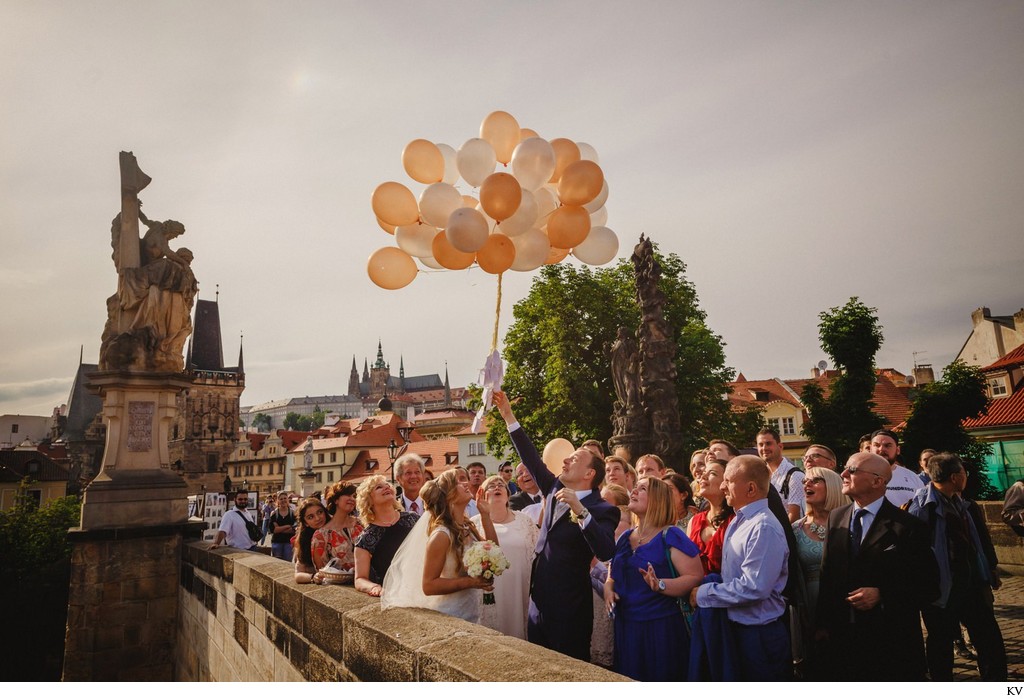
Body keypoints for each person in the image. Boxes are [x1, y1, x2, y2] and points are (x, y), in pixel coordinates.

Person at [493, 390, 619, 661]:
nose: (565, 460)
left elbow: (607, 550)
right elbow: (530, 457)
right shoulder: (553, 487)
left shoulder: (603, 510)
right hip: (538, 602)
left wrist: (580, 511)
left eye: (574, 459)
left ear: (589, 474)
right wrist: (507, 415)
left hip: (570, 609)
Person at [814, 452, 939, 681]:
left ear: (877, 481)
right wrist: (822, 625)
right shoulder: (837, 517)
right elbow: (827, 574)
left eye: (852, 470)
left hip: (890, 643)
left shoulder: (908, 526)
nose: (842, 474)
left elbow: (929, 585)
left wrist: (883, 594)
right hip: (843, 641)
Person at [689, 456, 791, 681]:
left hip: (759, 635)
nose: (723, 486)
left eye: (728, 480)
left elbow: (755, 587)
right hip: (738, 630)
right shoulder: (739, 521)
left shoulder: (762, 527)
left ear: (751, 488)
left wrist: (705, 593)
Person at [908, 452, 1007, 681]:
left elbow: (978, 540)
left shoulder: (961, 502)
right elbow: (916, 553)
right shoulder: (922, 508)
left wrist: (988, 569)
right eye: (963, 472)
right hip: (942, 588)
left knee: (989, 640)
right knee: (941, 644)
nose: (966, 476)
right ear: (954, 476)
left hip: (971, 583)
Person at [604, 477, 704, 681]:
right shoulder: (625, 537)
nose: (633, 491)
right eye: (635, 487)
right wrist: (608, 587)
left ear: (658, 500)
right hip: (626, 627)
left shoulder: (672, 536)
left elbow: (695, 576)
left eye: (642, 489)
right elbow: (612, 572)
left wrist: (661, 584)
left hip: (660, 629)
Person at [381, 468, 496, 623]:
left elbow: (493, 550)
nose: (466, 483)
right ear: (449, 495)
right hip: (451, 613)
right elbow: (429, 586)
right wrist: (472, 582)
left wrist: (486, 516)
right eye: (459, 481)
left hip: (471, 607)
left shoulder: (468, 526)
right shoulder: (441, 535)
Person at [791, 466, 848, 678]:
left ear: (833, 487)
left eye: (815, 481)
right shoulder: (796, 529)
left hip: (845, 606)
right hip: (808, 607)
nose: (807, 484)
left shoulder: (851, 524)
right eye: (805, 481)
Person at [471, 475, 538, 638]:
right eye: (491, 486)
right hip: (489, 590)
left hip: (519, 588)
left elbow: (538, 554)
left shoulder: (525, 521)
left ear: (508, 494)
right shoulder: (474, 524)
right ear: (482, 494)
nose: (496, 487)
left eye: (501, 484)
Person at [353, 475, 419, 597]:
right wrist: (373, 587)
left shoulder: (413, 519)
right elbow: (360, 579)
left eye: (387, 485)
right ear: (369, 500)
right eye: (379, 487)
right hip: (393, 594)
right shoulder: (366, 538)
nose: (386, 487)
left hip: (421, 587)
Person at [590, 483, 631, 668]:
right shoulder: (593, 528)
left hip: (611, 613)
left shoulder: (624, 532)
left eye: (605, 501)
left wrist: (593, 565)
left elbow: (616, 575)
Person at [687, 459, 734, 574]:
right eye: (704, 473)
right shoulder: (694, 521)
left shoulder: (736, 521)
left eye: (712, 473)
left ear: (726, 482)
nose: (703, 476)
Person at [311, 482, 363, 575]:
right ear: (336, 500)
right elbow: (322, 571)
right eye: (347, 495)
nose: (352, 499)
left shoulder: (362, 524)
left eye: (354, 496)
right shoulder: (321, 535)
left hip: (368, 582)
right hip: (340, 585)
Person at [757, 427, 804, 523]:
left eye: (768, 444)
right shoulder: (759, 475)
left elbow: (794, 516)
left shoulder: (795, 476)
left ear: (780, 446)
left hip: (783, 535)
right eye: (760, 445)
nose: (764, 448)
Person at [868, 429, 920, 507]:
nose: (881, 449)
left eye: (887, 445)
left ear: (898, 450)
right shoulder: (858, 476)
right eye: (877, 445)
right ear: (870, 449)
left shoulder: (912, 477)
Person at [293, 498, 327, 584]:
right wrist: (313, 577)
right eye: (310, 517)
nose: (317, 518)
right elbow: (298, 575)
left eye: (320, 512)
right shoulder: (305, 540)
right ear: (305, 523)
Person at [267, 491, 297, 562]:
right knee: (277, 563)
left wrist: (279, 528)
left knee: (287, 563)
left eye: (285, 498)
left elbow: (293, 530)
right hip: (277, 542)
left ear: (288, 499)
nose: (283, 500)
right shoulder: (274, 513)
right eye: (281, 499)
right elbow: (273, 530)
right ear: (278, 500)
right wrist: (288, 526)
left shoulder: (293, 513)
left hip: (288, 543)